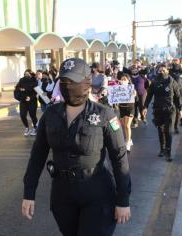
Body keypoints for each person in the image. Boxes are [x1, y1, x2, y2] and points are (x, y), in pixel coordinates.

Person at [22, 58, 131, 236]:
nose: (67, 86)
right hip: (62, 195)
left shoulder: (104, 114)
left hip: (97, 193)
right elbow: (37, 155)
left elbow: (119, 157)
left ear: (86, 82)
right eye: (63, 81)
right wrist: (29, 193)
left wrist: (123, 200)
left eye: (72, 81)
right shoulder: (51, 114)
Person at [142, 64, 181, 162]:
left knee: (168, 131)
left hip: (170, 110)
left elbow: (178, 96)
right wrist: (145, 107)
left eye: (164, 69)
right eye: (160, 69)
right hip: (158, 110)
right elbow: (149, 95)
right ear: (157, 71)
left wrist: (179, 109)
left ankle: (169, 152)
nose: (162, 70)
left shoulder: (172, 82)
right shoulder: (154, 82)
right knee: (161, 130)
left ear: (167, 70)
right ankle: (162, 149)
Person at [15, 69, 38, 136]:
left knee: (32, 115)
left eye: (27, 74)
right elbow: (17, 88)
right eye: (25, 74)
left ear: (31, 74)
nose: (26, 76)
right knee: (22, 115)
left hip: (32, 101)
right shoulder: (21, 80)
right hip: (23, 100)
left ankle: (35, 128)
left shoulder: (34, 81)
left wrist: (30, 97)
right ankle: (27, 128)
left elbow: (36, 91)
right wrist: (21, 90)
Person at [118, 73, 136, 152]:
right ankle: (128, 139)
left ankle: (128, 142)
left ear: (128, 80)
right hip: (122, 108)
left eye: (124, 79)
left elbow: (134, 95)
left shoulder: (131, 88)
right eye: (122, 79)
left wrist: (131, 92)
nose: (123, 81)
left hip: (130, 108)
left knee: (127, 125)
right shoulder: (118, 88)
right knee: (123, 125)